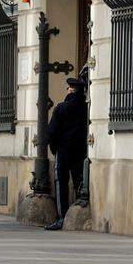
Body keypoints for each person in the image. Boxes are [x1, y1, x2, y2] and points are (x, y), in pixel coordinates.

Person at [44, 77, 89, 231]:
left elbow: (51, 131)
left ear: (71, 89)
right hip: (81, 149)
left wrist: (54, 148)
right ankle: (78, 213)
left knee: (61, 182)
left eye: (68, 88)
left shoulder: (62, 108)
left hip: (63, 149)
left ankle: (62, 217)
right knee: (79, 180)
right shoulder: (86, 108)